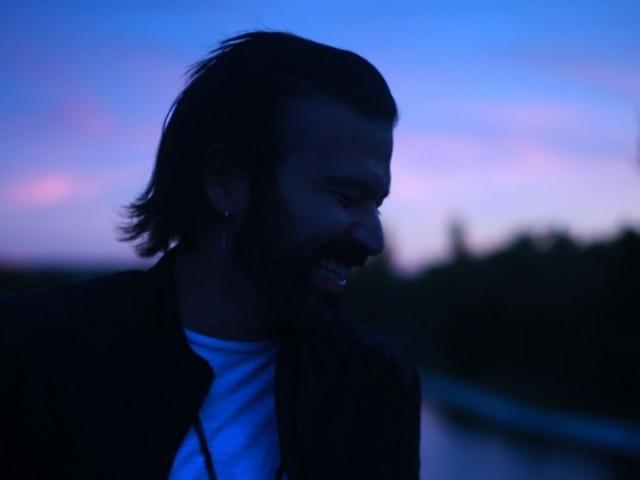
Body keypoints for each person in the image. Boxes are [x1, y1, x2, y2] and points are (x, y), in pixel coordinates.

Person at [0, 31, 420, 479]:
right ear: (225, 182)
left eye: (376, 204)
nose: (373, 240)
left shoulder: (376, 383)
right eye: (345, 196)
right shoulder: (30, 355)